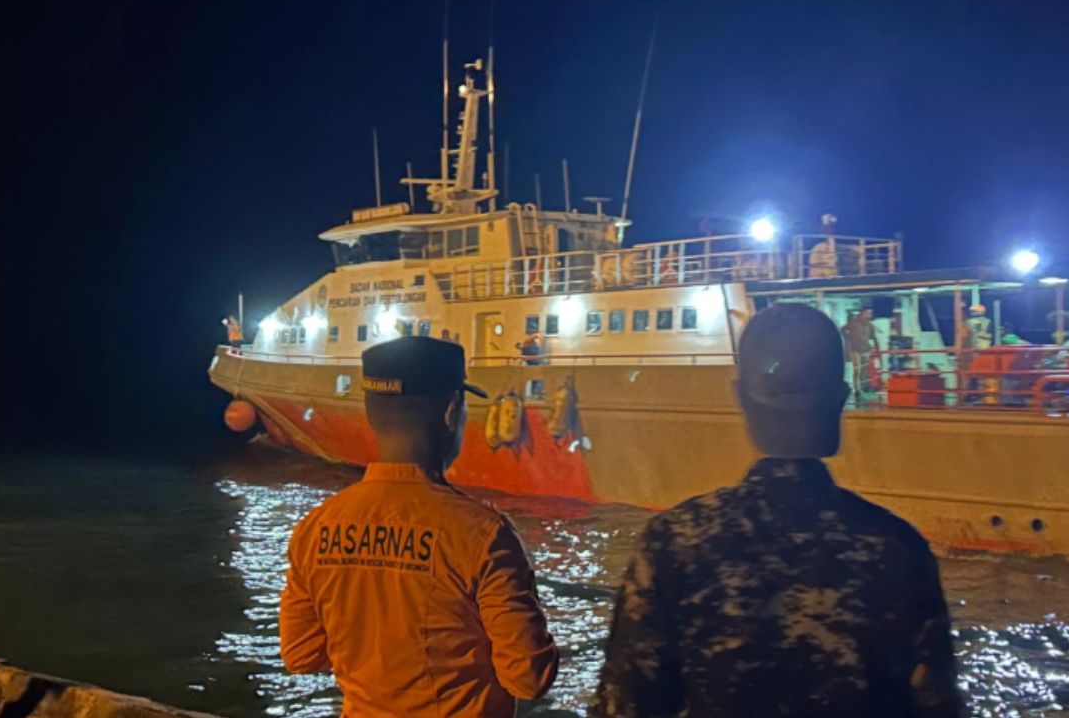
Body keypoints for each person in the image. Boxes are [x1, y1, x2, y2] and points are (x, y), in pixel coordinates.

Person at [594, 304, 960, 718]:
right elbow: (936, 704)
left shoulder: (673, 543)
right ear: (840, 396)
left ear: (740, 399)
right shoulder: (898, 550)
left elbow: (624, 705)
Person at [280, 336, 556, 717]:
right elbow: (529, 677)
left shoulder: (316, 527)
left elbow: (301, 655)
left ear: (370, 412)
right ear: (451, 411)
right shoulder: (484, 535)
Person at [840, 308, 878, 389]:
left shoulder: (870, 325)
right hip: (855, 349)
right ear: (862, 313)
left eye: (870, 313)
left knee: (865, 371)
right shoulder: (853, 323)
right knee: (857, 370)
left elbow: (874, 337)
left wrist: (878, 350)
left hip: (866, 350)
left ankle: (863, 387)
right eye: (867, 313)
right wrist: (848, 337)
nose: (869, 315)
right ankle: (857, 389)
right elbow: (842, 329)